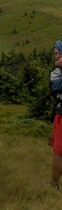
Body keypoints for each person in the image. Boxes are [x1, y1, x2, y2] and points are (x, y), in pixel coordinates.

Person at [49, 40, 62, 189]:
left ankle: (54, 183)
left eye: (58, 53)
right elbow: (56, 87)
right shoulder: (57, 70)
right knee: (59, 150)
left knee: (59, 151)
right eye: (55, 54)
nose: (56, 57)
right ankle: (54, 183)